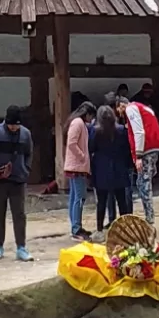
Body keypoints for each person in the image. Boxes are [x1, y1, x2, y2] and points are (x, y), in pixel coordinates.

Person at [0, 104, 34, 261]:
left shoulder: (25, 134)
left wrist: (26, 169)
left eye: (17, 125)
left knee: (19, 215)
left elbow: (30, 153)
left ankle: (21, 247)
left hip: (18, 180)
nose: (14, 128)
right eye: (11, 125)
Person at [89, 102, 133, 232]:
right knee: (122, 201)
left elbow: (91, 147)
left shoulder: (96, 131)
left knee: (101, 202)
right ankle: (125, 228)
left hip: (101, 169)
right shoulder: (121, 130)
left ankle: (99, 229)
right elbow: (127, 148)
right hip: (119, 167)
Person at [122, 91, 159, 225]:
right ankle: (150, 217)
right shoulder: (143, 108)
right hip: (155, 146)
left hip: (146, 148)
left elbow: (139, 131)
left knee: (143, 184)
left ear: (120, 106)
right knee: (145, 182)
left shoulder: (131, 109)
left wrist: (138, 155)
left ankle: (150, 219)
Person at [63, 102, 94, 240]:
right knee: (80, 197)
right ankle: (76, 228)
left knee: (75, 197)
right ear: (87, 114)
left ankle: (75, 226)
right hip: (77, 166)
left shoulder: (77, 122)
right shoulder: (78, 123)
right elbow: (71, 143)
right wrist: (82, 156)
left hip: (75, 166)